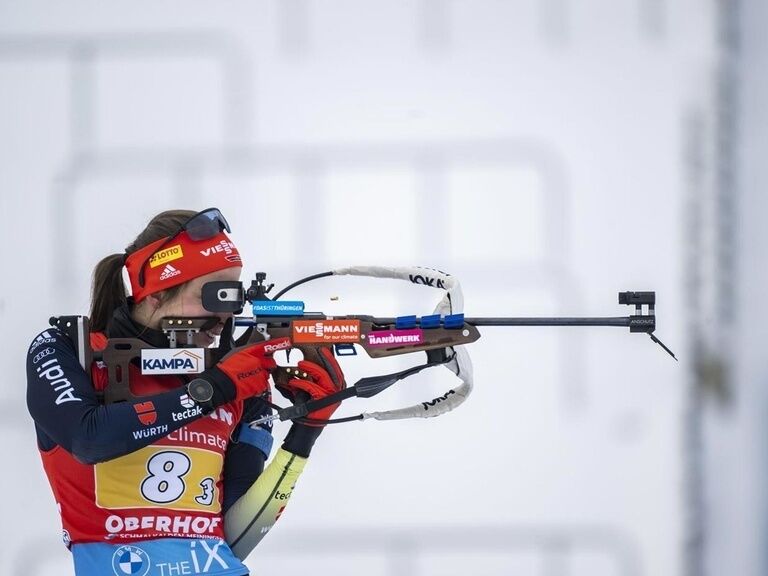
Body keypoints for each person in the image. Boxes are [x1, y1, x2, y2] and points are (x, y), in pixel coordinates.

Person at [26, 208, 345, 576]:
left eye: (234, 297)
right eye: (212, 295)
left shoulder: (240, 379)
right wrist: (213, 389)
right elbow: (88, 438)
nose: (225, 315)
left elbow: (238, 535)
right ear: (156, 295)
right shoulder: (70, 349)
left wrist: (306, 431)